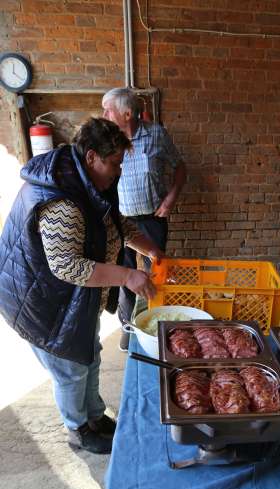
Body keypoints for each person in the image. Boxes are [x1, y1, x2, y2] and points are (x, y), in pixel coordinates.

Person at [0, 117, 163, 454]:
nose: (118, 171)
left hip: (72, 299)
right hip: (43, 302)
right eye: (114, 164)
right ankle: (78, 430)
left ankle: (94, 415)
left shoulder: (90, 182)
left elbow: (115, 222)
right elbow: (67, 266)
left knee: (90, 354)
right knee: (71, 370)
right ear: (92, 157)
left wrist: (148, 247)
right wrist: (126, 275)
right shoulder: (64, 202)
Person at [102, 87, 187, 351]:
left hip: (152, 217)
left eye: (109, 109)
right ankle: (128, 327)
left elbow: (180, 167)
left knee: (155, 272)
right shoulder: (107, 140)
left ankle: (154, 327)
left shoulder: (157, 135)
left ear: (127, 114)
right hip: (120, 219)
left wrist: (170, 199)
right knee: (124, 276)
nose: (104, 114)